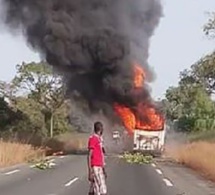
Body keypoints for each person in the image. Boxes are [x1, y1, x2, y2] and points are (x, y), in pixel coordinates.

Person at [88, 121, 107, 195]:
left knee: (101, 189)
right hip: (95, 167)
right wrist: (90, 171)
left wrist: (104, 169)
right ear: (100, 129)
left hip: (100, 167)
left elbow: (102, 155)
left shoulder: (99, 139)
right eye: (102, 129)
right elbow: (89, 155)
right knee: (98, 189)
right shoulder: (93, 139)